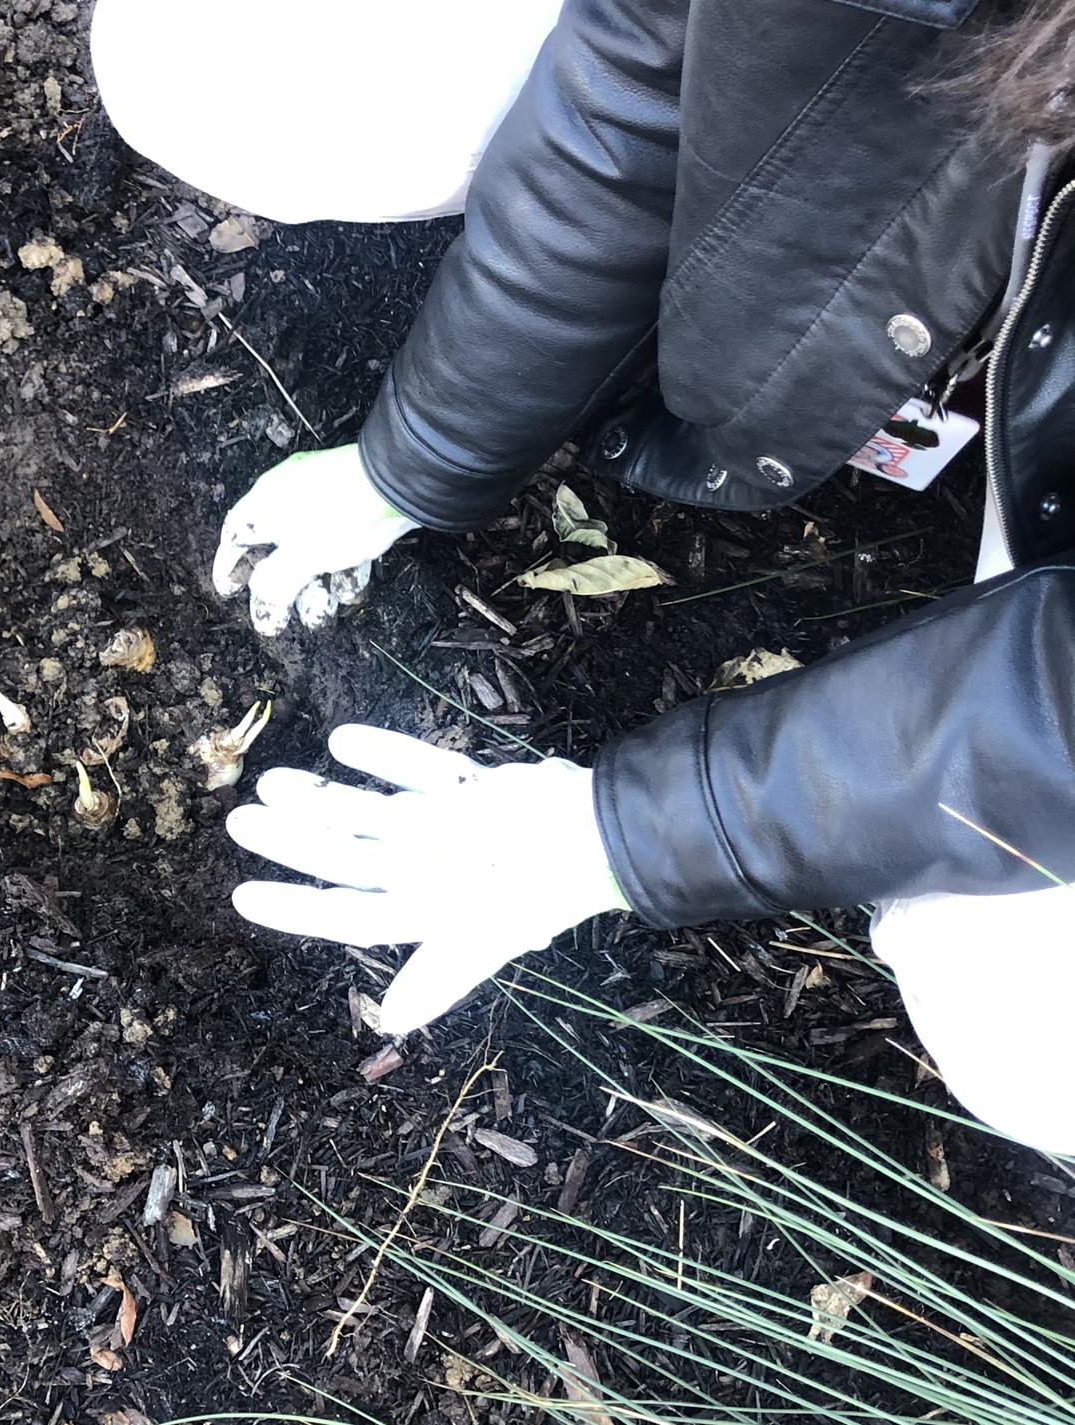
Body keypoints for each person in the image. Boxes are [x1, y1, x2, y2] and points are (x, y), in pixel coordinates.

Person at [91, 0, 1075, 1154]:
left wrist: (632, 834)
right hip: (951, 171)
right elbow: (643, 69)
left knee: (1032, 1032)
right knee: (208, 62)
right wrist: (418, 455)